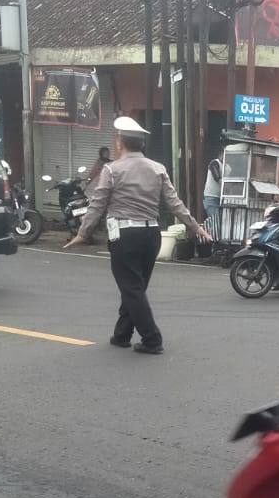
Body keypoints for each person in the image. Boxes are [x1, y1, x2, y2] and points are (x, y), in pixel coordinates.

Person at [66, 117, 209, 354]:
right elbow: (175, 204)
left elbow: (98, 205)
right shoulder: (157, 168)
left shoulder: (111, 170)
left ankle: (152, 339)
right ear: (141, 144)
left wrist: (83, 233)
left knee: (132, 288)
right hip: (151, 235)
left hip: (125, 236)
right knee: (135, 287)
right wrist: (196, 227)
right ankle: (122, 334)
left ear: (119, 143)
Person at [203, 156, 226, 228]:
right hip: (211, 197)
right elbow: (217, 177)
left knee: (221, 223)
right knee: (216, 223)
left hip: (222, 199)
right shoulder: (215, 163)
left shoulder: (228, 167)